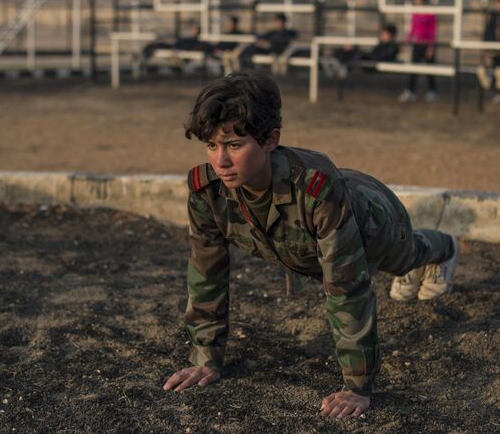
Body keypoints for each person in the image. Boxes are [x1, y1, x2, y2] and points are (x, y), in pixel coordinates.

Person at [162, 73, 460, 419]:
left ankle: (447, 248)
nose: (220, 161)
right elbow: (206, 272)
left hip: (372, 220)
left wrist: (357, 387)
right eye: (212, 145)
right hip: (315, 239)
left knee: (408, 257)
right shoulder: (208, 192)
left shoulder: (316, 191)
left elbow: (346, 286)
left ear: (271, 140)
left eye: (234, 145)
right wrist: (205, 357)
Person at [398, 0, 438, 103]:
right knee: (413, 69)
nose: (415, 1)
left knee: (430, 69)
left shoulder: (430, 13)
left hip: (427, 44)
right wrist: (406, 43)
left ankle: (432, 91)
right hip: (417, 44)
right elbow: (412, 29)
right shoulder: (415, 13)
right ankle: (411, 91)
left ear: (422, 0)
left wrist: (431, 47)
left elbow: (433, 31)